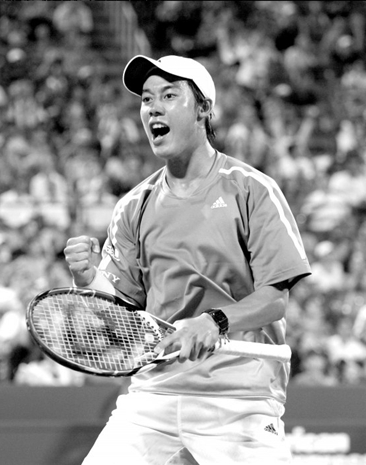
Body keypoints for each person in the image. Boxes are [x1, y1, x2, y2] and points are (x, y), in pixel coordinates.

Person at [64, 55, 312, 465]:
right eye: (146, 99)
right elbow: (123, 316)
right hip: (154, 393)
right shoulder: (133, 206)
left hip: (238, 397)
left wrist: (214, 322)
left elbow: (274, 300)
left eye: (168, 96)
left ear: (203, 110)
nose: (153, 108)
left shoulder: (252, 190)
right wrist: (88, 278)